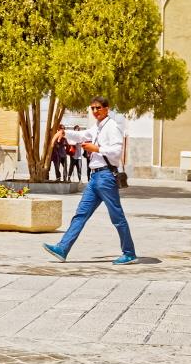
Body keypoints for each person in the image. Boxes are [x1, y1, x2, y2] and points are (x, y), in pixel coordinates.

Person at [43, 98, 137, 265]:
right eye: (92, 108)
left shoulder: (112, 126)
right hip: (95, 178)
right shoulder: (97, 127)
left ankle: (129, 253)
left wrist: (97, 149)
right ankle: (62, 248)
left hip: (106, 177)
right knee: (80, 214)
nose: (95, 111)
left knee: (117, 216)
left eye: (98, 108)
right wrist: (64, 133)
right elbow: (82, 135)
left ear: (107, 109)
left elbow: (117, 150)